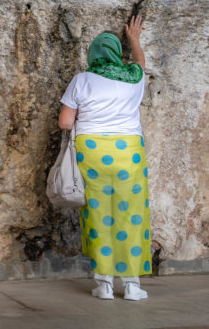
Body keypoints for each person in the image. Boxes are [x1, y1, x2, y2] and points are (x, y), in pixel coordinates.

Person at [58, 16, 151, 300]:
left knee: (98, 214)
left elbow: (64, 122)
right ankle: (133, 286)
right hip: (129, 153)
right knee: (131, 215)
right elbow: (140, 64)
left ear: (93, 55)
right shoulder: (134, 78)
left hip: (93, 152)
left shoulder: (82, 80)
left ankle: (104, 285)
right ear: (116, 54)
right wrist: (134, 40)